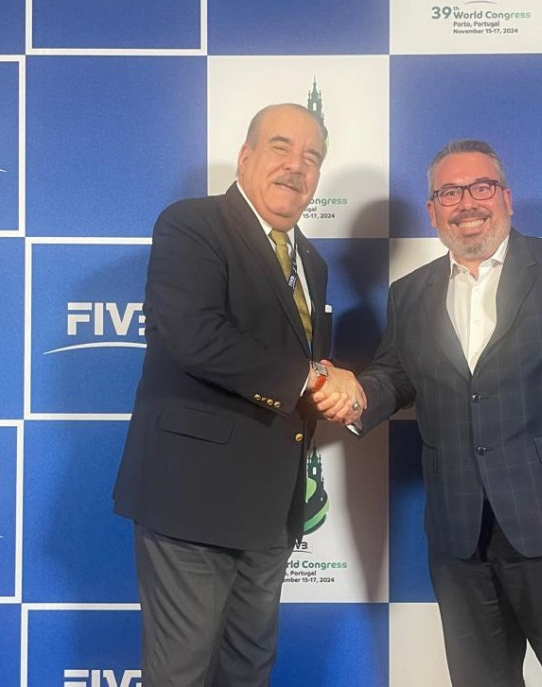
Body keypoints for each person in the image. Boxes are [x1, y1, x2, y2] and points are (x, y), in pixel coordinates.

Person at [315, 139, 542, 686]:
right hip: (459, 531)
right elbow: (397, 376)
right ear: (433, 211)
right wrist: (356, 393)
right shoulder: (409, 293)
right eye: (449, 192)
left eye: (481, 187)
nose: (467, 202)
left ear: (506, 197)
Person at [113, 103, 364, 686]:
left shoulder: (313, 262)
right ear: (246, 156)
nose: (296, 166)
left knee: (249, 671)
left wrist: (333, 381)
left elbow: (293, 365)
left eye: (312, 157)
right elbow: (192, 336)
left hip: (271, 510)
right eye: (281, 147)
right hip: (192, 500)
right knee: (182, 673)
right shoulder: (193, 224)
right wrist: (314, 378)